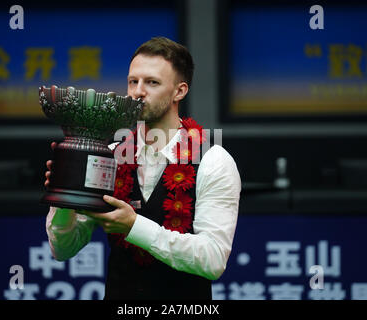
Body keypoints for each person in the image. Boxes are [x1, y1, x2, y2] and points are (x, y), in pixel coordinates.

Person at [44, 37, 241, 300]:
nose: (138, 92)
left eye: (152, 82)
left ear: (179, 91)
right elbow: (63, 250)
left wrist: (134, 226)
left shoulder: (213, 161)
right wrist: (64, 195)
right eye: (132, 81)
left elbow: (212, 259)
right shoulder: (111, 155)